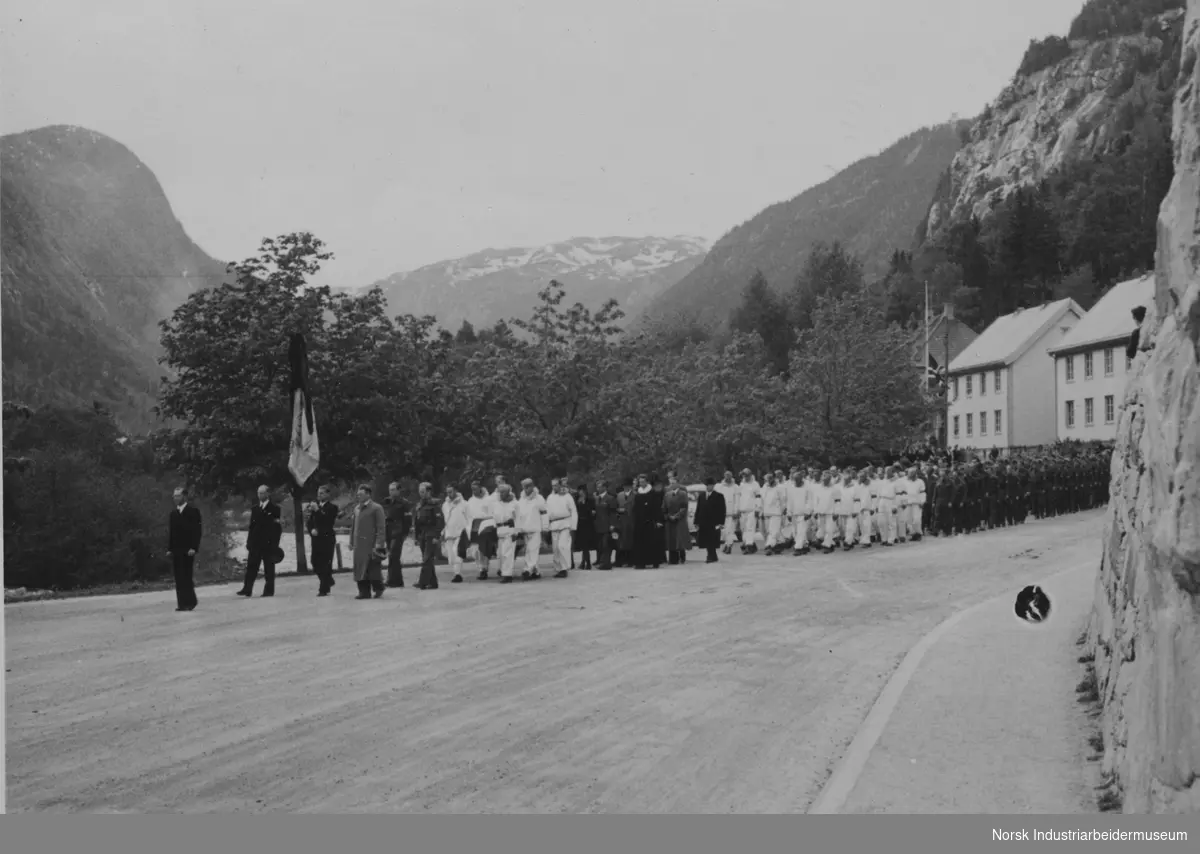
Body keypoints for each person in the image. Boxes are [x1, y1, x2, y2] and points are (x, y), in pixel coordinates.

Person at [239, 484, 282, 598]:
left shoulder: (275, 509)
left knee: (269, 567)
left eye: (262, 493)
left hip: (268, 543)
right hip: (255, 543)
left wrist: (275, 544)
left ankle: (268, 590)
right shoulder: (255, 509)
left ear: (268, 494)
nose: (260, 495)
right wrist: (249, 541)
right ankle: (247, 589)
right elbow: (252, 527)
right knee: (251, 566)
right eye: (258, 493)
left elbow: (277, 528)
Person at [350, 483, 387, 599]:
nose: (358, 497)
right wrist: (351, 541)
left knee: (372, 569)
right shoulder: (356, 508)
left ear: (368, 494)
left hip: (371, 544)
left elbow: (381, 527)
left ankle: (379, 587)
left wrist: (379, 543)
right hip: (358, 545)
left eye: (361, 494)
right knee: (359, 568)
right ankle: (363, 592)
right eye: (357, 495)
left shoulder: (376, 508)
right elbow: (353, 526)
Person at [167, 486, 201, 611]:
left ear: (184, 497)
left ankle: (191, 601)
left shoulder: (193, 512)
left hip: (188, 550)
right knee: (178, 577)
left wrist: (194, 547)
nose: (175, 498)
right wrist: (170, 548)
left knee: (186, 575)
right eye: (174, 496)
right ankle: (181, 603)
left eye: (178, 496)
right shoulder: (173, 514)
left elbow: (197, 531)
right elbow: (172, 533)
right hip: (176, 550)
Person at [306, 484, 339, 596]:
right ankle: (328, 580)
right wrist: (311, 530)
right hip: (316, 539)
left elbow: (327, 521)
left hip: (327, 538)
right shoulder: (314, 507)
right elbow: (309, 522)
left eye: (322, 493)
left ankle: (323, 589)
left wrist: (317, 510)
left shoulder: (332, 507)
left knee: (325, 563)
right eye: (318, 493)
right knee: (314, 562)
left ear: (327, 494)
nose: (319, 495)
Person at [413, 482, 443, 590]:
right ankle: (433, 582)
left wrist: (437, 536)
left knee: (426, 559)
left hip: (431, 534)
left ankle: (423, 582)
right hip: (422, 534)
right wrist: (416, 537)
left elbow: (440, 522)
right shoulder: (419, 504)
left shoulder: (435, 504)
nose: (421, 494)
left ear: (429, 492)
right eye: (420, 492)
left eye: (423, 492)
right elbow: (416, 522)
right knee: (428, 559)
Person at [546, 479, 578, 578]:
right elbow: (547, 512)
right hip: (554, 524)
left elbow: (573, 510)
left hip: (565, 523)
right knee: (555, 548)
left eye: (556, 485)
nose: (554, 487)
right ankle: (558, 568)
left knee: (562, 546)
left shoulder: (567, 496)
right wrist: (546, 525)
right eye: (552, 485)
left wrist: (573, 525)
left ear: (560, 485)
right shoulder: (550, 497)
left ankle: (564, 568)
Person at [516, 478, 547, 580]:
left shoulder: (539, 498)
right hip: (525, 529)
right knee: (528, 550)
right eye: (524, 487)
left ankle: (527, 570)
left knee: (532, 550)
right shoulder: (522, 499)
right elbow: (519, 515)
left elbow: (544, 513)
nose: (526, 489)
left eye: (528, 486)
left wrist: (545, 527)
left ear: (532, 486)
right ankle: (536, 572)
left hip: (535, 528)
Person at [632, 474, 664, 569]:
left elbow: (658, 508)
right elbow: (635, 508)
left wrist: (658, 520)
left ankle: (654, 561)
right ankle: (640, 562)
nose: (641, 483)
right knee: (640, 543)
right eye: (640, 482)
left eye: (643, 481)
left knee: (652, 542)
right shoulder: (638, 494)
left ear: (647, 482)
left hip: (651, 521)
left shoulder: (653, 493)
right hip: (640, 522)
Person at [467, 481, 497, 580]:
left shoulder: (489, 499)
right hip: (475, 527)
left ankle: (484, 569)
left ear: (480, 488)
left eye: (475, 489)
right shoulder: (470, 501)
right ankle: (480, 567)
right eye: (472, 489)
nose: (474, 491)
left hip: (486, 527)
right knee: (475, 550)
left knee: (485, 548)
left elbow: (493, 513)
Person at [383, 482, 410, 588]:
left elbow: (407, 520)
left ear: (399, 490)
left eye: (394, 489)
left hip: (398, 531)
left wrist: (405, 533)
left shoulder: (404, 503)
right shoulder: (387, 501)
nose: (391, 491)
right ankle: (398, 580)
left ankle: (391, 580)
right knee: (393, 556)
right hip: (388, 531)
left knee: (393, 555)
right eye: (390, 489)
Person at [693, 477, 726, 563]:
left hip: (713, 521)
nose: (709, 487)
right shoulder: (702, 496)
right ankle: (712, 555)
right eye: (708, 485)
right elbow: (698, 509)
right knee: (706, 540)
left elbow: (722, 510)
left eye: (711, 485)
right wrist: (696, 521)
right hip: (703, 521)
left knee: (712, 539)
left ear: (713, 486)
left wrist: (721, 522)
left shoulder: (719, 496)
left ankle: (711, 556)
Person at [442, 484, 470, 584]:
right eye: (447, 492)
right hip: (449, 532)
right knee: (451, 556)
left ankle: (457, 574)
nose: (449, 494)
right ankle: (456, 572)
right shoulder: (445, 505)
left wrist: (467, 531)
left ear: (456, 491)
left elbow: (468, 518)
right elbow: (444, 519)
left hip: (460, 532)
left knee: (456, 552)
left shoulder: (464, 504)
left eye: (451, 491)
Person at [491, 483, 519, 583]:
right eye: (500, 492)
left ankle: (507, 575)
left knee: (508, 554)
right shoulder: (496, 504)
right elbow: (494, 517)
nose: (501, 494)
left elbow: (518, 519)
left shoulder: (514, 504)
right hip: (500, 530)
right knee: (501, 554)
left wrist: (516, 532)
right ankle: (503, 572)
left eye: (503, 492)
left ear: (508, 492)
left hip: (510, 530)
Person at [664, 474, 691, 564]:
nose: (672, 482)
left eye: (674, 481)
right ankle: (673, 558)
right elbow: (664, 506)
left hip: (680, 518)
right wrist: (668, 516)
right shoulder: (667, 492)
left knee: (680, 538)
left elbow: (684, 506)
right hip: (670, 518)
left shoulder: (683, 492)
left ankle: (682, 556)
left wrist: (677, 516)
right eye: (670, 480)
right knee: (671, 538)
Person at [593, 480, 619, 570]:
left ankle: (606, 563)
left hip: (607, 525)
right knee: (600, 545)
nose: (598, 488)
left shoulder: (610, 498)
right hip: (598, 525)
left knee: (606, 544)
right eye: (597, 486)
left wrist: (612, 524)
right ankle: (601, 561)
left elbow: (613, 513)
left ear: (604, 487)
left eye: (599, 486)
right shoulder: (596, 498)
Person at [573, 482, 597, 570]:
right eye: (579, 491)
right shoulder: (576, 499)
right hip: (580, 523)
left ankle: (588, 563)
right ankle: (584, 562)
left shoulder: (590, 500)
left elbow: (592, 511)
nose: (581, 493)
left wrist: (584, 504)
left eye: (582, 491)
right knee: (583, 545)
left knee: (586, 544)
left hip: (588, 524)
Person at [715, 471, 740, 555]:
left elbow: (737, 500)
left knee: (730, 530)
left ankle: (729, 546)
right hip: (721, 513)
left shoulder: (736, 487)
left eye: (729, 476)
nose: (727, 477)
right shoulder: (719, 487)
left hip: (732, 513)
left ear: (731, 477)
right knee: (724, 531)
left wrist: (736, 511)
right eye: (726, 476)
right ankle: (727, 543)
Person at [615, 479, 636, 567]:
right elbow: (616, 506)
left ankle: (631, 560)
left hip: (631, 520)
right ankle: (621, 561)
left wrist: (627, 510)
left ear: (630, 486)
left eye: (627, 486)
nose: (625, 488)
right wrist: (618, 511)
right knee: (621, 541)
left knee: (630, 540)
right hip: (621, 521)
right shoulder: (619, 495)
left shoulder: (635, 495)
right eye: (624, 486)